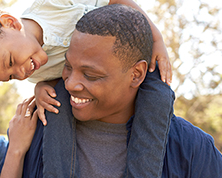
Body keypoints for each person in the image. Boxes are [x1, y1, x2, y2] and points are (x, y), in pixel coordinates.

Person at [0, 0, 173, 177]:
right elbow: (60, 79)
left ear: (11, 23)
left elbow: (117, 2)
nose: (22, 74)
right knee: (56, 104)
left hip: (128, 64)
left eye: (12, 61)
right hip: (94, 88)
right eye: (11, 76)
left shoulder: (53, 5)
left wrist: (156, 40)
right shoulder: (35, 70)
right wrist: (41, 87)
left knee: (160, 96)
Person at [26, 4, 222, 177]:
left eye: (91, 75)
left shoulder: (192, 149)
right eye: (68, 66)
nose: (69, 84)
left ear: (136, 74)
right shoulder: (34, 134)